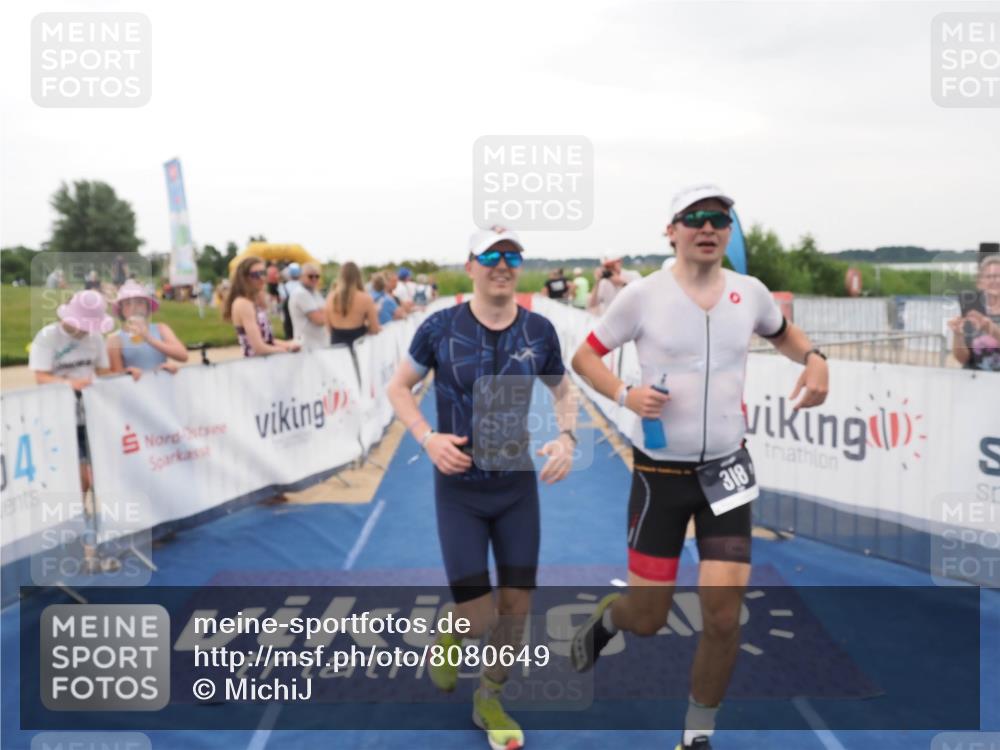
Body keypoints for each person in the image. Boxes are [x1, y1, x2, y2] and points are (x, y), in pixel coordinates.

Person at [568, 185, 830, 750]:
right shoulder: (643, 296)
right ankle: (610, 621)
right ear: (671, 231)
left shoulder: (750, 292)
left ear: (729, 233)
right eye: (695, 219)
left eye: (720, 219)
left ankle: (698, 733)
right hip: (660, 476)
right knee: (648, 617)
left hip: (728, 474)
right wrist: (623, 393)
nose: (708, 227)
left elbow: (787, 337)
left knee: (722, 616)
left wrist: (815, 360)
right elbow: (584, 356)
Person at [386, 226, 577, 750]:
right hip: (459, 488)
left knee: (517, 609)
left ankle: (489, 699)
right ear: (470, 266)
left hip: (516, 488)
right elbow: (398, 388)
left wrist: (566, 436)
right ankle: (450, 630)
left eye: (512, 254)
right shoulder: (439, 328)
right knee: (478, 617)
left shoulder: (539, 331)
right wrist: (426, 438)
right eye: (490, 254)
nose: (502, 263)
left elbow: (565, 391)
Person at [29, 289, 114, 499]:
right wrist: (72, 384)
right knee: (78, 476)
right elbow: (41, 377)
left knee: (99, 473)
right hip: (60, 415)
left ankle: (91, 518)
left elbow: (104, 371)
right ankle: (79, 518)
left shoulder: (96, 338)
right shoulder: (48, 337)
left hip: (91, 413)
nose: (87, 330)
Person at [106, 280, 188, 377]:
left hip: (161, 384)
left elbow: (183, 356)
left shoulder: (161, 328)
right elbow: (116, 375)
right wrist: (128, 372)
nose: (134, 308)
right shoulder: (115, 339)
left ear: (147, 307)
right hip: (135, 389)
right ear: (121, 310)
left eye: (140, 302)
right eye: (128, 304)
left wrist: (149, 338)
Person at [223, 257, 300, 357]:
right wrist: (286, 351)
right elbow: (258, 348)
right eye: (256, 275)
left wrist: (290, 345)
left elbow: (268, 340)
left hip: (265, 363)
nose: (262, 278)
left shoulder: (253, 301)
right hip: (256, 365)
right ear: (244, 278)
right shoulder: (243, 304)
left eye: (264, 273)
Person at [949, 254, 1000, 371]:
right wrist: (958, 335)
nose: (995, 281)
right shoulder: (972, 311)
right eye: (989, 276)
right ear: (980, 282)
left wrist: (992, 330)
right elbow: (962, 359)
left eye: (998, 276)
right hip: (973, 381)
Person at [326, 262, 381, 346]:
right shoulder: (366, 298)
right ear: (359, 277)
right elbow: (374, 329)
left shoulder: (330, 297)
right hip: (359, 348)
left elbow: (328, 328)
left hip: (337, 349)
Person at [289, 263, 330, 350]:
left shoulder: (314, 292)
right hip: (307, 347)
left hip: (318, 346)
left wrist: (324, 312)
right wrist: (326, 313)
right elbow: (319, 320)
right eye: (310, 276)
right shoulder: (301, 293)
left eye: (317, 276)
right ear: (301, 277)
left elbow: (326, 312)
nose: (314, 279)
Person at [280, 263, 303, 340]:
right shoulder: (302, 285)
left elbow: (282, 299)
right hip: (300, 310)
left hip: (288, 312)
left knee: (289, 332)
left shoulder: (284, 286)